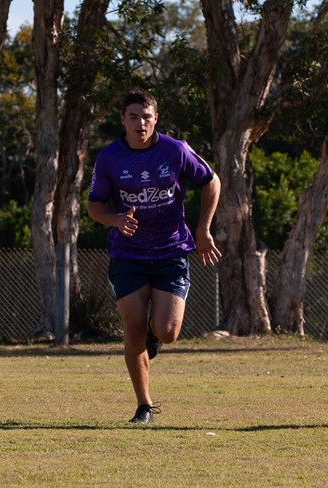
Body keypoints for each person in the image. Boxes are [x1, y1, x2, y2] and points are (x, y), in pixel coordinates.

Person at [87, 89, 221, 425]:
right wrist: (116, 219)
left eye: (146, 117)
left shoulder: (176, 150)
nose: (140, 123)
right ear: (123, 119)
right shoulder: (109, 158)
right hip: (128, 254)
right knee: (133, 329)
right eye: (133, 117)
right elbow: (94, 207)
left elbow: (212, 181)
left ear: (156, 118)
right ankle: (144, 406)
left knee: (167, 331)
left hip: (171, 251)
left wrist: (203, 229)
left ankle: (152, 335)